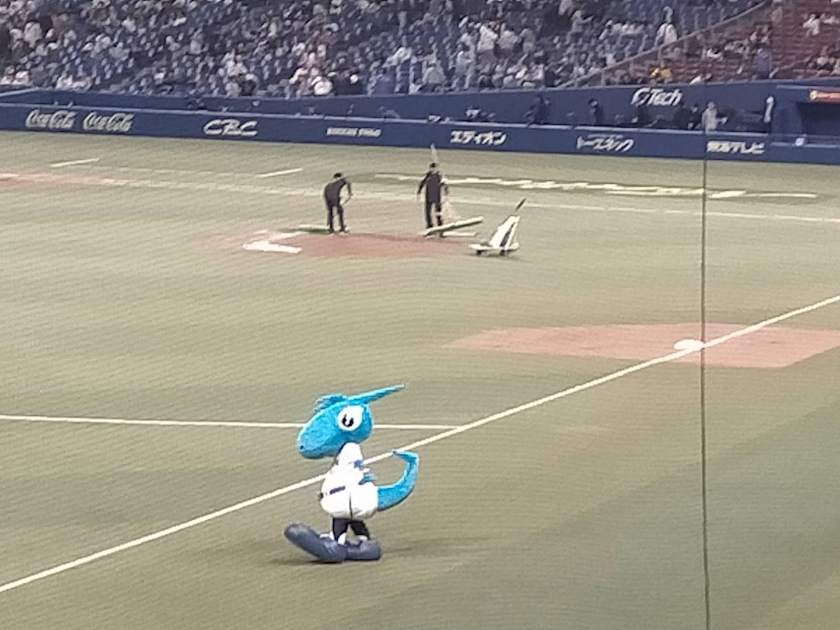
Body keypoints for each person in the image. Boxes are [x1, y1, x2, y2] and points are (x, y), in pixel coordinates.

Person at [417, 162, 449, 229]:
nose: (432, 169)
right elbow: (422, 183)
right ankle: (429, 225)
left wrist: (446, 194)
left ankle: (440, 225)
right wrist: (419, 192)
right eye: (431, 168)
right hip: (428, 196)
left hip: (436, 196)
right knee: (427, 212)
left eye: (434, 168)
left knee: (438, 212)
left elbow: (445, 185)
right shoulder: (428, 175)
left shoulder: (439, 176)